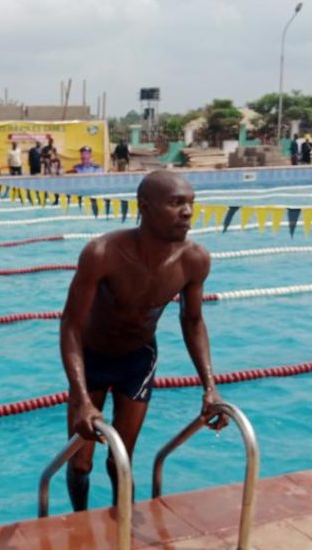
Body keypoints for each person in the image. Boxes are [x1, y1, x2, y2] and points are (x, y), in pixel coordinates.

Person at [60, 170, 227, 511]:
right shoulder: (102, 253)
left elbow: (192, 321)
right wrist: (81, 397)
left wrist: (209, 386)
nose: (187, 212)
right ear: (145, 207)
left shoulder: (194, 259)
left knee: (120, 459)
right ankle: (78, 522)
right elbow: (71, 327)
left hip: (137, 361)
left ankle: (123, 529)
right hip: (91, 359)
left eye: (191, 203)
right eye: (176, 203)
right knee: (81, 462)